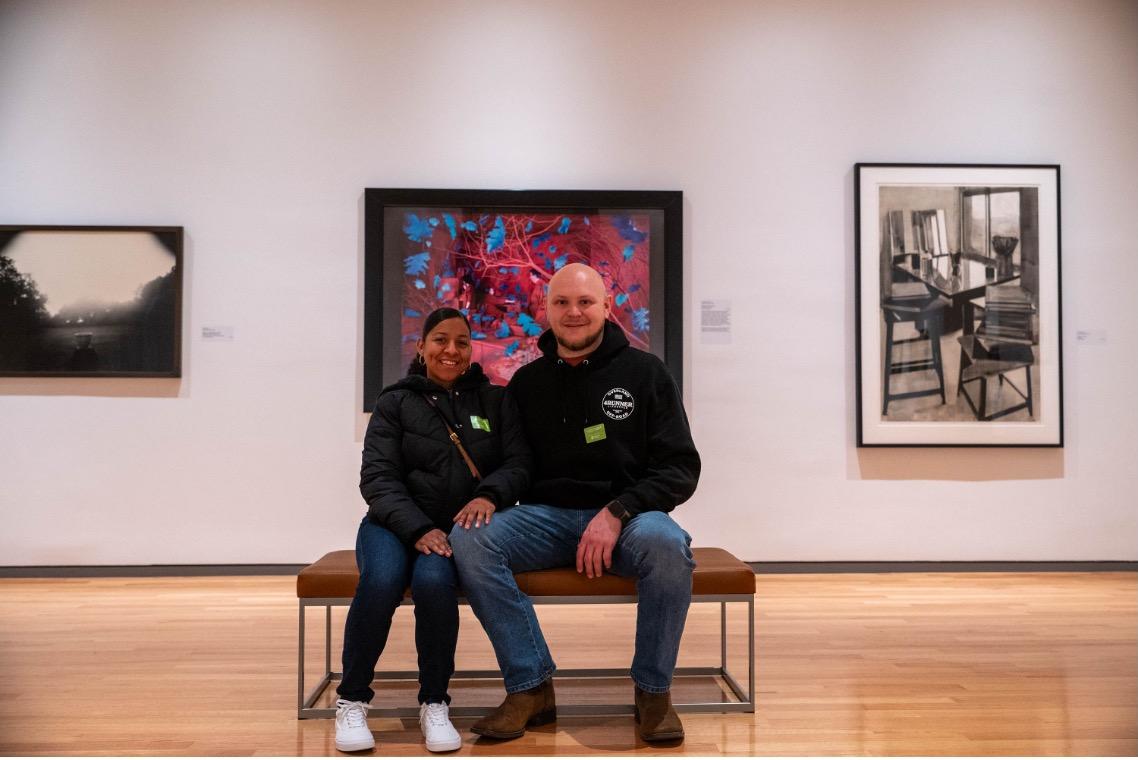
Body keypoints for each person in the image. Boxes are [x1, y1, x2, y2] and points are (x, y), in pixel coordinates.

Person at [450, 263, 701, 742]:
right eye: (561, 302)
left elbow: (680, 469)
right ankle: (530, 687)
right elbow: (519, 466)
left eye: (585, 302)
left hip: (631, 519)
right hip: (546, 518)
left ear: (607, 307)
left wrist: (617, 511)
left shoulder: (647, 373)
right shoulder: (527, 384)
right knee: (472, 539)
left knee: (669, 547)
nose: (574, 312)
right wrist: (488, 496)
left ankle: (653, 692)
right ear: (545, 310)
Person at [335, 307, 531, 753]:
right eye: (441, 340)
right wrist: (418, 528)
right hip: (392, 525)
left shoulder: (494, 401)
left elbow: (519, 464)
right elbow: (378, 478)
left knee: (433, 583)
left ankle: (435, 701)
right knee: (382, 580)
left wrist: (489, 496)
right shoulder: (395, 401)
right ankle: (351, 699)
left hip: (454, 530)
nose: (452, 350)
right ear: (421, 347)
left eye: (462, 342)